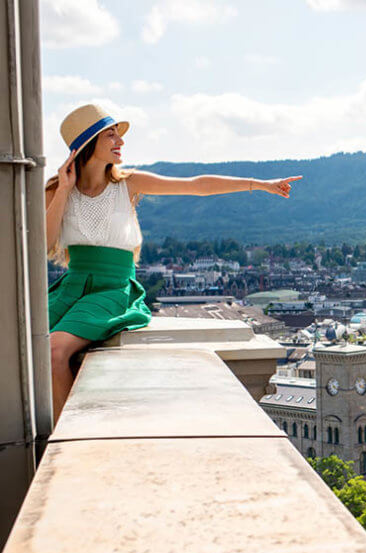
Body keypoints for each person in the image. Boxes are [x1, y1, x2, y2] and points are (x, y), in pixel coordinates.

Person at [45, 104, 301, 419]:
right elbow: (42, 243)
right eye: (110, 135)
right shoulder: (58, 189)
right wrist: (64, 191)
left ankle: (66, 442)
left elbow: (195, 186)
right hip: (71, 287)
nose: (120, 142)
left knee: (55, 351)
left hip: (111, 291)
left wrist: (259, 184)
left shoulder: (128, 183)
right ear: (88, 143)